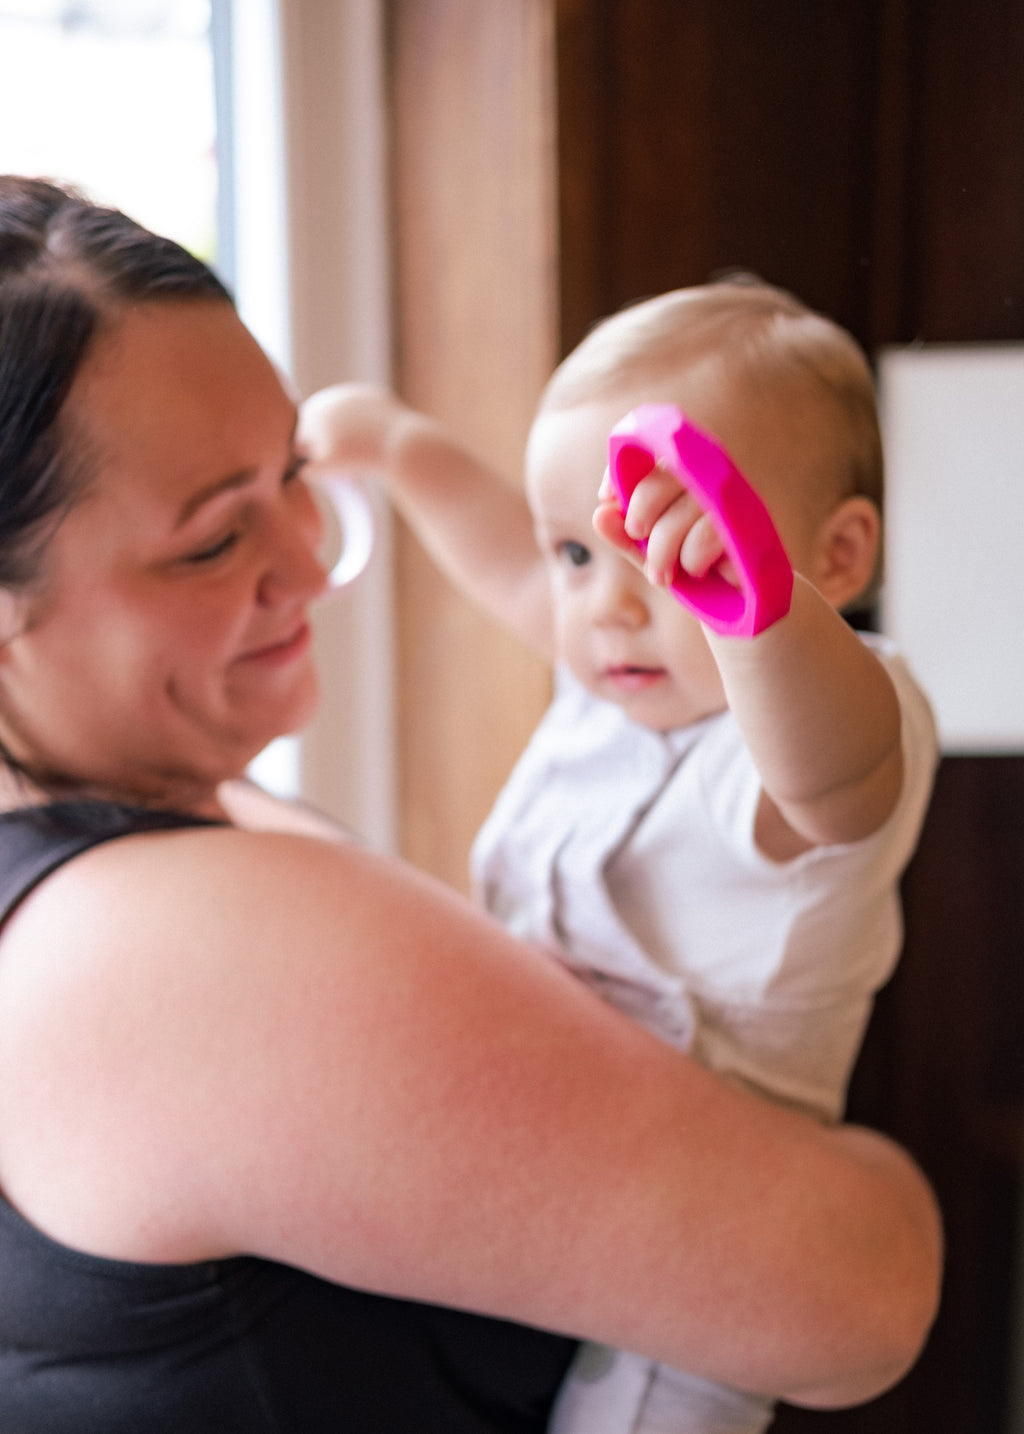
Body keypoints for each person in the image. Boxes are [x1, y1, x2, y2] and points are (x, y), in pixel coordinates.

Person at [0, 177, 941, 1434]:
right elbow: (859, 1292)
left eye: (291, 474)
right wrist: (876, 1181)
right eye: (215, 541)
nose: (316, 559)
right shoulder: (172, 938)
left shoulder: (187, 833)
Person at [301, 276, 939, 1434]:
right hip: (552, 1158)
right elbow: (506, 555)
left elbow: (836, 787)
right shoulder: (617, 677)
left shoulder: (821, 717)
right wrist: (399, 447)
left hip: (710, 1223)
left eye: (669, 556)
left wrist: (760, 616)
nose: (607, 606)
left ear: (835, 558)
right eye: (579, 555)